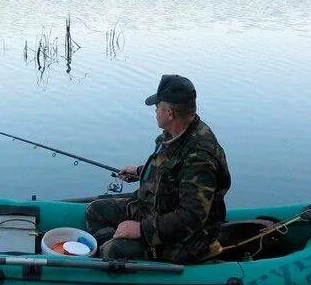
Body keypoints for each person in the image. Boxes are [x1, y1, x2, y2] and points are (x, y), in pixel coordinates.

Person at [86, 74, 231, 264]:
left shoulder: (200, 157)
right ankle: (115, 243)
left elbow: (191, 217)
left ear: (169, 113)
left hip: (185, 239)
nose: (155, 110)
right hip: (153, 211)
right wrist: (140, 171)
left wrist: (141, 230)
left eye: (157, 107)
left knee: (114, 250)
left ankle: (118, 257)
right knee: (95, 211)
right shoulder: (174, 134)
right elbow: (171, 170)